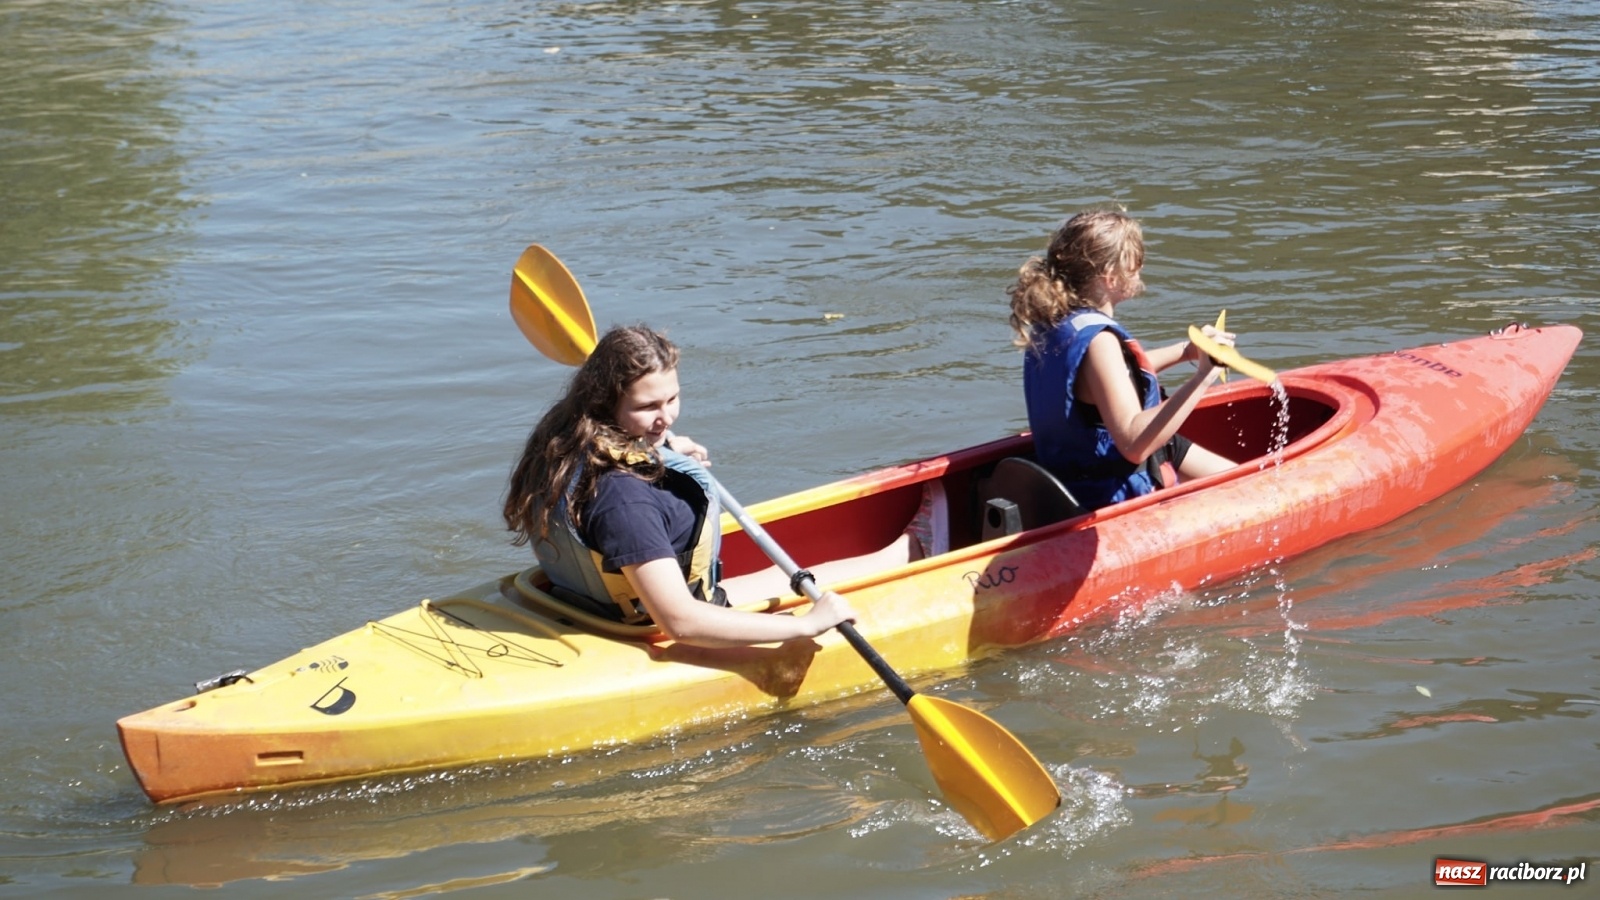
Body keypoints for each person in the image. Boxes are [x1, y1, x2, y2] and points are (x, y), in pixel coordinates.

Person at [503, 325, 929, 649]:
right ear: (604, 403)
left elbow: (637, 452)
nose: (667, 417)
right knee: (802, 599)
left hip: (587, 606)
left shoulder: (565, 442)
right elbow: (681, 622)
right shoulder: (623, 500)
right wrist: (805, 625)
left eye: (672, 399)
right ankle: (916, 550)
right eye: (648, 406)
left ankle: (909, 550)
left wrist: (660, 449)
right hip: (657, 624)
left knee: (780, 577)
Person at [1006, 207, 1237, 511]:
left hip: (1071, 476)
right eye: (1136, 263)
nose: (1141, 270)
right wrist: (1203, 377)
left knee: (1241, 480)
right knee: (1259, 493)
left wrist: (1188, 351)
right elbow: (1133, 442)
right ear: (1110, 279)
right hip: (1107, 494)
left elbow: (1109, 380)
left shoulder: (1055, 322)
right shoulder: (1100, 341)